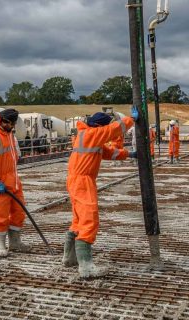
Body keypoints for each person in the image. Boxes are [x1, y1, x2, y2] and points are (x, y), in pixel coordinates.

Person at [62, 107, 138, 278]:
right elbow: (114, 129)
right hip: (82, 181)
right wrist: (131, 119)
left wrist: (130, 154)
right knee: (89, 218)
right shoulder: (91, 135)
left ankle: (70, 258)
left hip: (77, 180)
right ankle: (86, 267)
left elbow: (109, 153)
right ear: (98, 126)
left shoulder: (87, 136)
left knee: (79, 219)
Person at [0, 108, 30, 258]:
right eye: (11, 124)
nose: (13, 127)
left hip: (14, 182)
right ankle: (0, 245)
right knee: (1, 214)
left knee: (18, 212)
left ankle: (15, 242)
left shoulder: (10, 135)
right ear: (4, 122)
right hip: (0, 184)